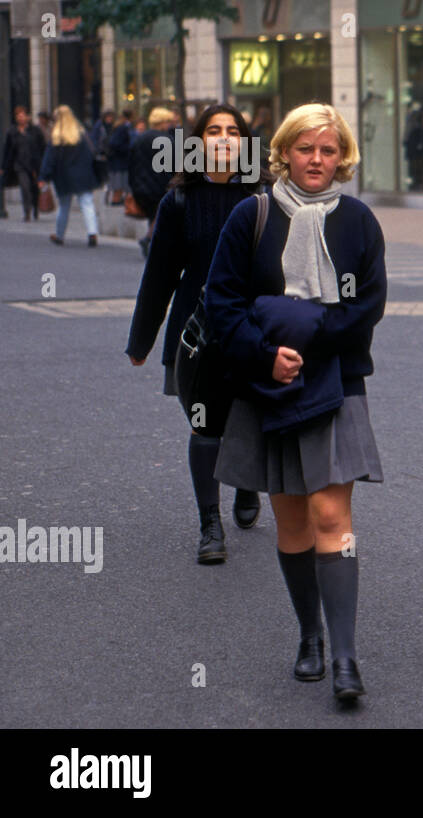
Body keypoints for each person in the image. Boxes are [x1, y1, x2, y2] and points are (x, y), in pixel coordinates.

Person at [205, 103, 386, 704]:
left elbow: (365, 309)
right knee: (294, 524)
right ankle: (308, 633)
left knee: (334, 519)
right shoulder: (249, 216)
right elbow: (222, 304)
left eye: (328, 150)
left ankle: (344, 654)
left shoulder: (359, 222)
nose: (317, 160)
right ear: (284, 153)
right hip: (267, 386)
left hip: (335, 384)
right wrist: (266, 355)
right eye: (306, 149)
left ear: (343, 158)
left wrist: (304, 342)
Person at [126, 105, 268, 565]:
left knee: (250, 417)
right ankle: (211, 524)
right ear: (197, 142)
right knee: (204, 423)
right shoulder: (179, 201)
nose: (223, 138)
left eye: (232, 131)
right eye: (213, 131)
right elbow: (160, 274)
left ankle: (247, 482)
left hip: (252, 327)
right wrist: (141, 341)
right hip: (196, 332)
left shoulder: (266, 197)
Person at [38, 106, 99, 247]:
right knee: (87, 203)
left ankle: (59, 235)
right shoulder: (80, 133)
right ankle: (92, 233)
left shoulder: (56, 136)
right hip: (83, 174)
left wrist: (43, 177)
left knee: (64, 206)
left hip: (63, 176)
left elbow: (49, 159)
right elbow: (91, 152)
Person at [129, 107, 179, 257]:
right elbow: (174, 165)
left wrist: (132, 184)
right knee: (160, 214)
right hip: (160, 184)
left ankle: (153, 244)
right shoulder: (167, 140)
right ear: (163, 122)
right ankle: (149, 239)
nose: (170, 125)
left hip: (140, 185)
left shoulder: (140, 138)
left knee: (154, 214)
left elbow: (131, 163)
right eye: (169, 122)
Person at [1, 105, 47, 221]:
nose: (21, 118)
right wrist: (3, 166)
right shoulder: (12, 132)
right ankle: (27, 211)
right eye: (18, 116)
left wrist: (43, 163)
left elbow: (43, 147)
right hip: (19, 165)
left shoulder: (35, 131)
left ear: (27, 117)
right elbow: (7, 150)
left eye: (22, 116)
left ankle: (35, 208)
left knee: (34, 188)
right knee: (24, 187)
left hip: (34, 164)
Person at [106, 108, 136, 206]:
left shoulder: (120, 126)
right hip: (119, 160)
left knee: (120, 180)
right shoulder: (122, 127)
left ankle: (117, 199)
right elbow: (115, 143)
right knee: (119, 180)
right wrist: (127, 148)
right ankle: (116, 200)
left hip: (118, 160)